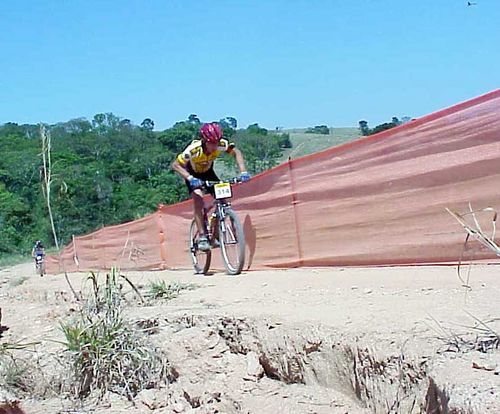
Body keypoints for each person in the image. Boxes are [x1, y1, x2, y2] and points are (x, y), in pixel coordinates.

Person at [172, 123, 250, 251]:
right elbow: (176, 165)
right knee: (198, 199)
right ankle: (202, 236)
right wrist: (190, 178)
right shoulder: (193, 149)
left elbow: (236, 152)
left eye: (217, 142)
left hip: (208, 173)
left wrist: (243, 171)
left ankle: (217, 232)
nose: (215, 146)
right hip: (192, 174)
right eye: (211, 143)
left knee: (223, 199)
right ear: (204, 140)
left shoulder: (221, 144)